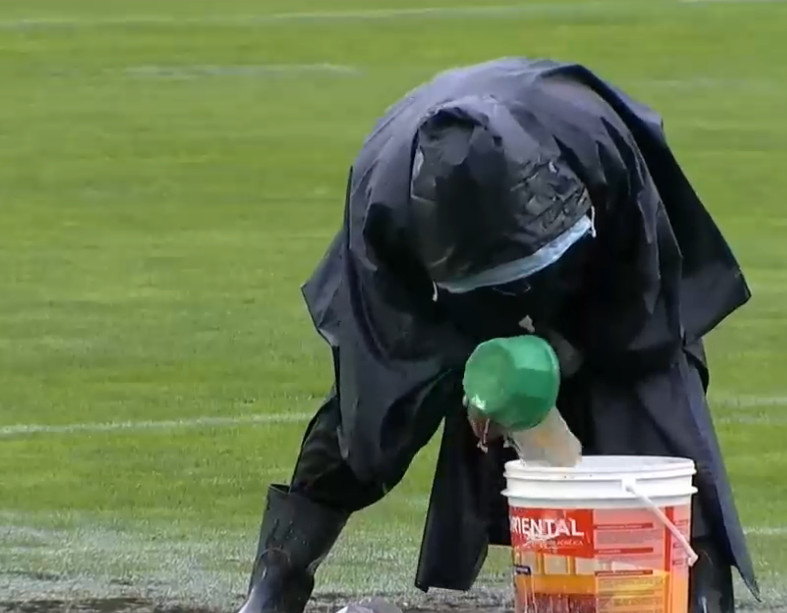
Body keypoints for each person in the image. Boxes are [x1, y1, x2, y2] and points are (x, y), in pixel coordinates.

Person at [236, 57, 758, 613]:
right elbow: (382, 359)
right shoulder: (382, 204)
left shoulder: (597, 142)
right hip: (432, 281)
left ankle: (702, 592)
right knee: (367, 416)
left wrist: (562, 352)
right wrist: (477, 377)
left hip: (593, 263)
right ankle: (279, 577)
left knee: (656, 395)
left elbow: (641, 293)